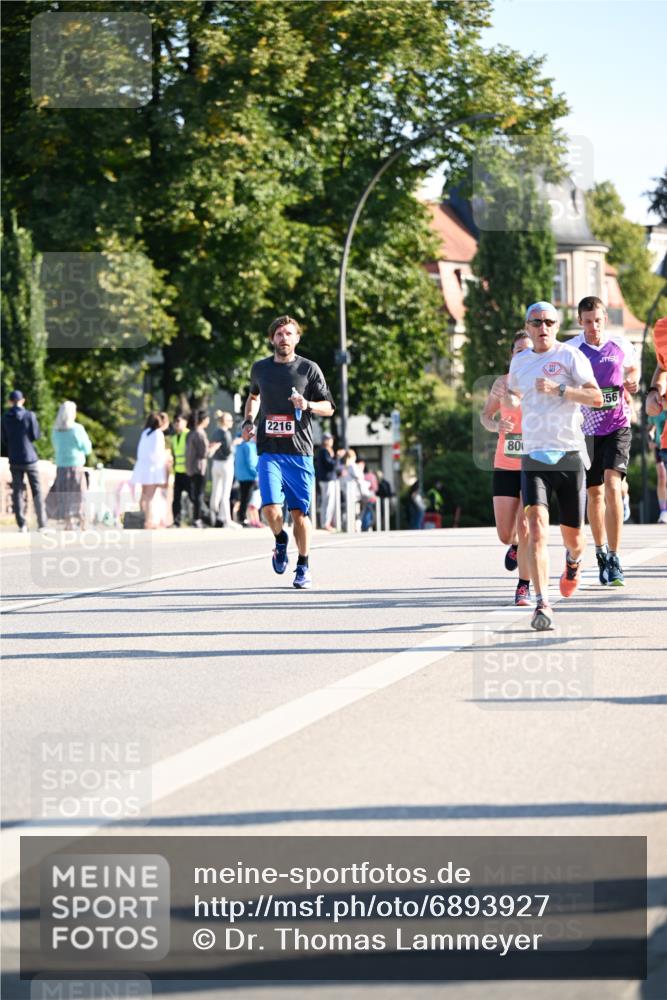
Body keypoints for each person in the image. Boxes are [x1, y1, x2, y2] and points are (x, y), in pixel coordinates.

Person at [507, 302, 602, 631]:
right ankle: (542, 602)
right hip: (534, 455)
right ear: (528, 326)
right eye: (537, 322)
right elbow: (514, 395)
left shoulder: (570, 356)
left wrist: (561, 389)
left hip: (569, 455)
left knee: (574, 539)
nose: (543, 327)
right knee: (535, 529)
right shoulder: (520, 361)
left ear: (557, 325)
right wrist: (507, 400)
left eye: (549, 322)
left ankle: (574, 563)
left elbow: (597, 398)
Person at [242, 314, 335, 588]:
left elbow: (329, 408)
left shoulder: (309, 369)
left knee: (299, 515)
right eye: (279, 334)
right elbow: (254, 396)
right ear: (272, 338)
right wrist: (249, 421)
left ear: (297, 338)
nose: (284, 338)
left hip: (299, 451)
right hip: (269, 449)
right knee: (270, 510)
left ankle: (303, 564)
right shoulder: (260, 368)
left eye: (289, 334)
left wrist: (307, 404)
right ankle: (280, 539)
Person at [567, 297, 639, 587]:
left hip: (618, 425)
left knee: (612, 485)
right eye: (587, 321)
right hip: (585, 430)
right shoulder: (571, 349)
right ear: (580, 321)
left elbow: (633, 369)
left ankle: (615, 556)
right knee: (594, 494)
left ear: (605, 318)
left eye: (597, 320)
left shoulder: (620, 344)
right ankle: (600, 552)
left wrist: (632, 380)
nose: (593, 326)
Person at [480, 331, 533, 605]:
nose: (524, 355)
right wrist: (496, 425)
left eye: (529, 350)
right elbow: (485, 416)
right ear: (511, 356)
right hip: (505, 462)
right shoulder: (501, 384)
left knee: (525, 525)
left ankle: (524, 586)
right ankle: (514, 547)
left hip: (533, 463)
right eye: (519, 351)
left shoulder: (542, 383)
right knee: (505, 534)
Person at [1, 389, 47, 532]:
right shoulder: (29, 416)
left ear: (10, 402)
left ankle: (22, 524)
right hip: (30, 459)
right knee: (36, 491)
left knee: (17, 491)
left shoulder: (4, 417)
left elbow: (4, 439)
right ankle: (42, 524)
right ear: (23, 400)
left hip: (14, 458)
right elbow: (35, 435)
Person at [45, 401, 92, 528]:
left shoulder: (56, 430)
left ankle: (68, 522)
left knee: (63, 494)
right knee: (79, 494)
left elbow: (55, 447)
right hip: (75, 465)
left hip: (61, 466)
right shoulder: (77, 429)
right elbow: (87, 448)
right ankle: (83, 522)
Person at [131, 412, 169, 529]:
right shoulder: (158, 434)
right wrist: (166, 456)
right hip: (152, 468)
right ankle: (149, 521)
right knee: (150, 497)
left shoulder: (145, 433)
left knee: (144, 496)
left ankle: (144, 520)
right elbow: (157, 453)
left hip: (143, 467)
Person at [209, 410, 235, 527]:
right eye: (230, 420)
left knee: (216, 492)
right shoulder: (226, 434)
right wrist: (234, 444)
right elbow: (228, 451)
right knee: (225, 493)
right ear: (225, 422)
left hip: (216, 464)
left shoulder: (215, 432)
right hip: (226, 464)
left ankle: (215, 517)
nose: (232, 422)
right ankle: (227, 520)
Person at [186, 409, 210, 528]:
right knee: (199, 494)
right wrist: (213, 448)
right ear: (203, 420)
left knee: (195, 494)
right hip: (200, 468)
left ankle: (196, 518)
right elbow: (204, 453)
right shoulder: (200, 433)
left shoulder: (191, 432)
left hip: (191, 467)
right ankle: (197, 519)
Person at [234, 421, 259, 525]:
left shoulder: (240, 444)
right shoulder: (249, 445)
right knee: (246, 498)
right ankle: (242, 517)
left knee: (243, 497)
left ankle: (241, 517)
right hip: (249, 475)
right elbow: (251, 462)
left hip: (240, 475)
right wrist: (256, 474)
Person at [169, 413, 190, 527]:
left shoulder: (188, 434)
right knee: (176, 499)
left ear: (185, 422)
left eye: (179, 421)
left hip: (188, 472)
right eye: (175, 422)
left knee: (194, 497)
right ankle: (176, 522)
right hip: (178, 472)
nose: (177, 424)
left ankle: (205, 518)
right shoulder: (173, 437)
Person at [647, 409, 667, 522]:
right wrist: (650, 439)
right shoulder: (655, 407)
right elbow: (651, 427)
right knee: (662, 477)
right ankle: (664, 512)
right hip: (660, 447)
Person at [316, 433, 337, 531]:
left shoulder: (324, 451)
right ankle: (325, 523)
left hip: (326, 479)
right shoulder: (324, 451)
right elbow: (330, 465)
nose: (332, 441)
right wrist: (337, 457)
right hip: (327, 480)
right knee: (328, 502)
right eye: (330, 439)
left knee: (327, 501)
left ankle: (326, 522)